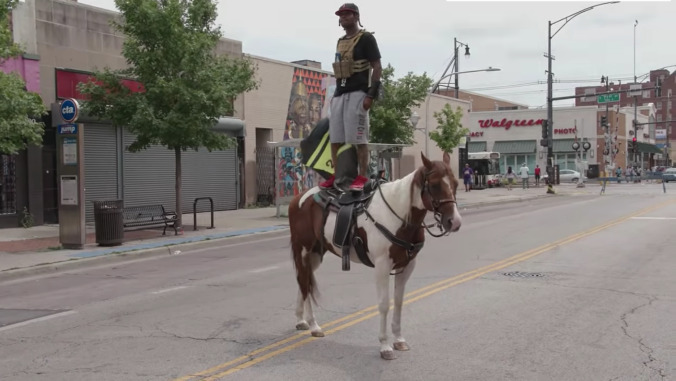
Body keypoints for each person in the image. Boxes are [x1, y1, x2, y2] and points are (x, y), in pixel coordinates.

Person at [319, 3, 382, 191]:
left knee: (359, 139)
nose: (343, 17)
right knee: (336, 139)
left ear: (356, 16)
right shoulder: (340, 41)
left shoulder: (367, 38)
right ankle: (337, 176)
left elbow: (377, 67)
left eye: (347, 14)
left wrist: (371, 94)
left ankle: (362, 176)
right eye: (341, 15)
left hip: (358, 94)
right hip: (340, 94)